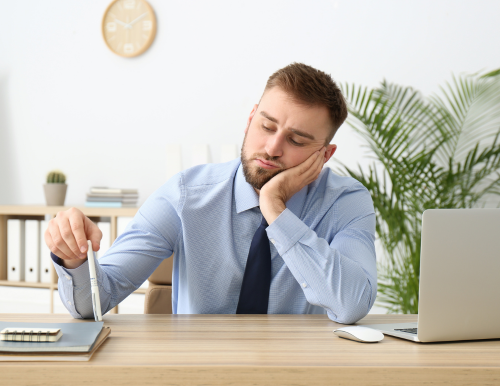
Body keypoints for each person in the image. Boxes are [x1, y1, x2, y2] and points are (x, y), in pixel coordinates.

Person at [45, 62, 377, 324]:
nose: (273, 148)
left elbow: (351, 305)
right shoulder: (185, 195)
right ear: (250, 119)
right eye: (266, 126)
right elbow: (94, 304)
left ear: (325, 155)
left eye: (297, 140)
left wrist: (275, 210)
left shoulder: (345, 202)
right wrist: (73, 259)